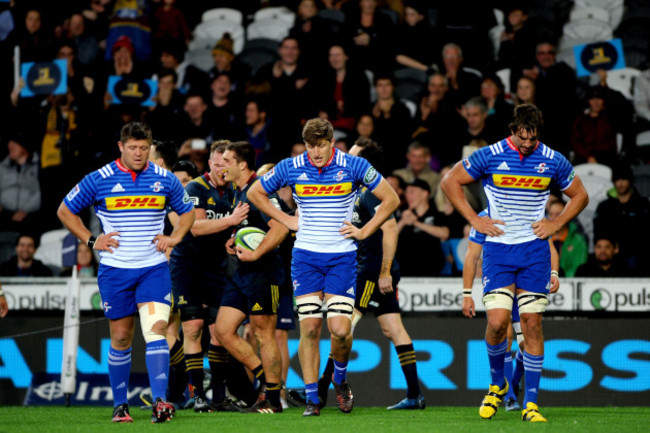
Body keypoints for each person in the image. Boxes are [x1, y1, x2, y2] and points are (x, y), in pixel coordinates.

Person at [441, 104, 589, 422]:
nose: (526, 145)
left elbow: (580, 195)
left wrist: (555, 224)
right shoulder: (491, 154)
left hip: (534, 252)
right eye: (522, 138)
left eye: (532, 139)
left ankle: (530, 404)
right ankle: (497, 384)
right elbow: (449, 181)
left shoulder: (551, 159)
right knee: (496, 324)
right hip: (498, 251)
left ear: (538, 134)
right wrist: (472, 219)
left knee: (532, 325)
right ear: (513, 131)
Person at [246, 118, 400, 416]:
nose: (316, 152)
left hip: (342, 257)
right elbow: (254, 193)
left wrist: (366, 231)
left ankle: (340, 379)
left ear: (332, 142)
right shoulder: (292, 166)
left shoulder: (353, 165)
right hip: (305, 259)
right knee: (311, 329)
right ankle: (313, 398)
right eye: (310, 146)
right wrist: (286, 219)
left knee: (340, 330)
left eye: (321, 145)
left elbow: (391, 198)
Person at [57, 122, 196, 423]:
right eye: (132, 147)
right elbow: (65, 211)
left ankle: (161, 401)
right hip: (115, 271)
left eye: (143, 148)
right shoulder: (100, 178)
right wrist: (92, 241)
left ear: (149, 147)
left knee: (156, 330)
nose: (138, 153)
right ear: (120, 147)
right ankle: (121, 405)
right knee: (121, 338)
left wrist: (174, 238)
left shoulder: (164, 179)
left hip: (153, 269)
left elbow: (188, 213)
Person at [318, 139, 425, 410]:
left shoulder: (371, 193)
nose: (344, 158)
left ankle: (320, 390)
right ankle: (415, 395)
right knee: (393, 328)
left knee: (345, 326)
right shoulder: (355, 191)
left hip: (371, 271)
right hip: (371, 269)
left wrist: (385, 272)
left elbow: (391, 229)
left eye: (352, 156)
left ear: (364, 163)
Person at [169, 140, 250, 412]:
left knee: (219, 332)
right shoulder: (195, 188)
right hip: (189, 267)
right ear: (209, 164)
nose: (221, 169)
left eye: (225, 164)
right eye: (217, 164)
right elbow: (196, 226)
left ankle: (218, 397)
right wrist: (231, 221)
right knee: (192, 329)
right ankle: (197, 395)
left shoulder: (233, 192)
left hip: (217, 269)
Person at [214, 141, 289, 414]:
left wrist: (257, 255)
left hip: (263, 272)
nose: (221, 166)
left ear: (242, 165)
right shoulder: (239, 192)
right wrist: (233, 239)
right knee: (223, 330)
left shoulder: (261, 190)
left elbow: (281, 226)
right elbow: (252, 228)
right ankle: (267, 384)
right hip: (240, 272)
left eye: (226, 161)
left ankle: (272, 399)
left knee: (263, 333)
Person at [462, 209, 560, 411]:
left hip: (526, 281)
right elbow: (471, 256)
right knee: (503, 331)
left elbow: (549, 248)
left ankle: (512, 384)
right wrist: (466, 293)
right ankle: (510, 397)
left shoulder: (532, 211)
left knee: (526, 345)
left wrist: (554, 273)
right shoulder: (484, 219)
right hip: (503, 282)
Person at [593, 163, 650, 275]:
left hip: (639, 257)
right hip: (612, 257)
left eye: (624, 179)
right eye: (617, 179)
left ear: (630, 181)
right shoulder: (605, 206)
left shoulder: (642, 204)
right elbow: (598, 231)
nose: (620, 183)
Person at [396, 179, 450, 277]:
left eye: (412, 192)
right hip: (405, 272)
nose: (408, 196)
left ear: (425, 194)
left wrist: (416, 223)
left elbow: (444, 233)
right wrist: (403, 222)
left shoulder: (436, 214)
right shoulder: (402, 214)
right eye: (407, 193)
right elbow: (388, 236)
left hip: (431, 271)